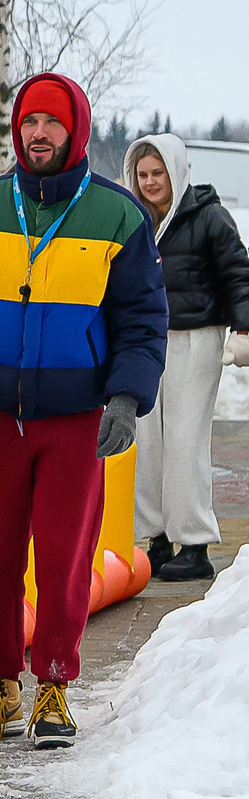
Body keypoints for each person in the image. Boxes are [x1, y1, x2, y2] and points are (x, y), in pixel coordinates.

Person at [0, 72, 166, 749]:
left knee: (65, 558)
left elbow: (144, 321)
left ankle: (54, 688)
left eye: (51, 124)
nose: (37, 135)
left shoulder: (119, 217)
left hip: (74, 419)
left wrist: (125, 396)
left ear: (76, 131)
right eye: (29, 122)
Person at [122, 134, 249, 582]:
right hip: (146, 339)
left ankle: (194, 544)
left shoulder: (209, 217)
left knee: (184, 439)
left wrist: (245, 327)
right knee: (146, 442)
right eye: (143, 174)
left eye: (159, 173)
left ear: (176, 172)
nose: (151, 182)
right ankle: (155, 539)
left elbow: (238, 272)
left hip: (196, 338)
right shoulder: (133, 221)